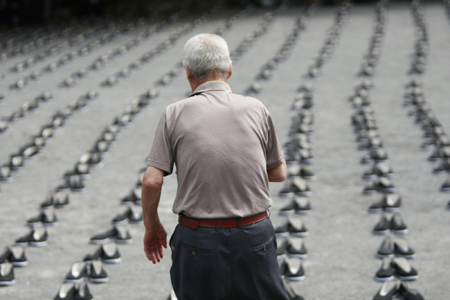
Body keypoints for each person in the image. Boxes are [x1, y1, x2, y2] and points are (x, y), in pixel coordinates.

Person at [142, 33, 289, 300]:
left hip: (199, 239)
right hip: (254, 236)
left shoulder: (173, 113)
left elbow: (152, 181)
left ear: (188, 73)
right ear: (230, 69)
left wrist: (152, 226)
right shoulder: (257, 108)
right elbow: (279, 173)